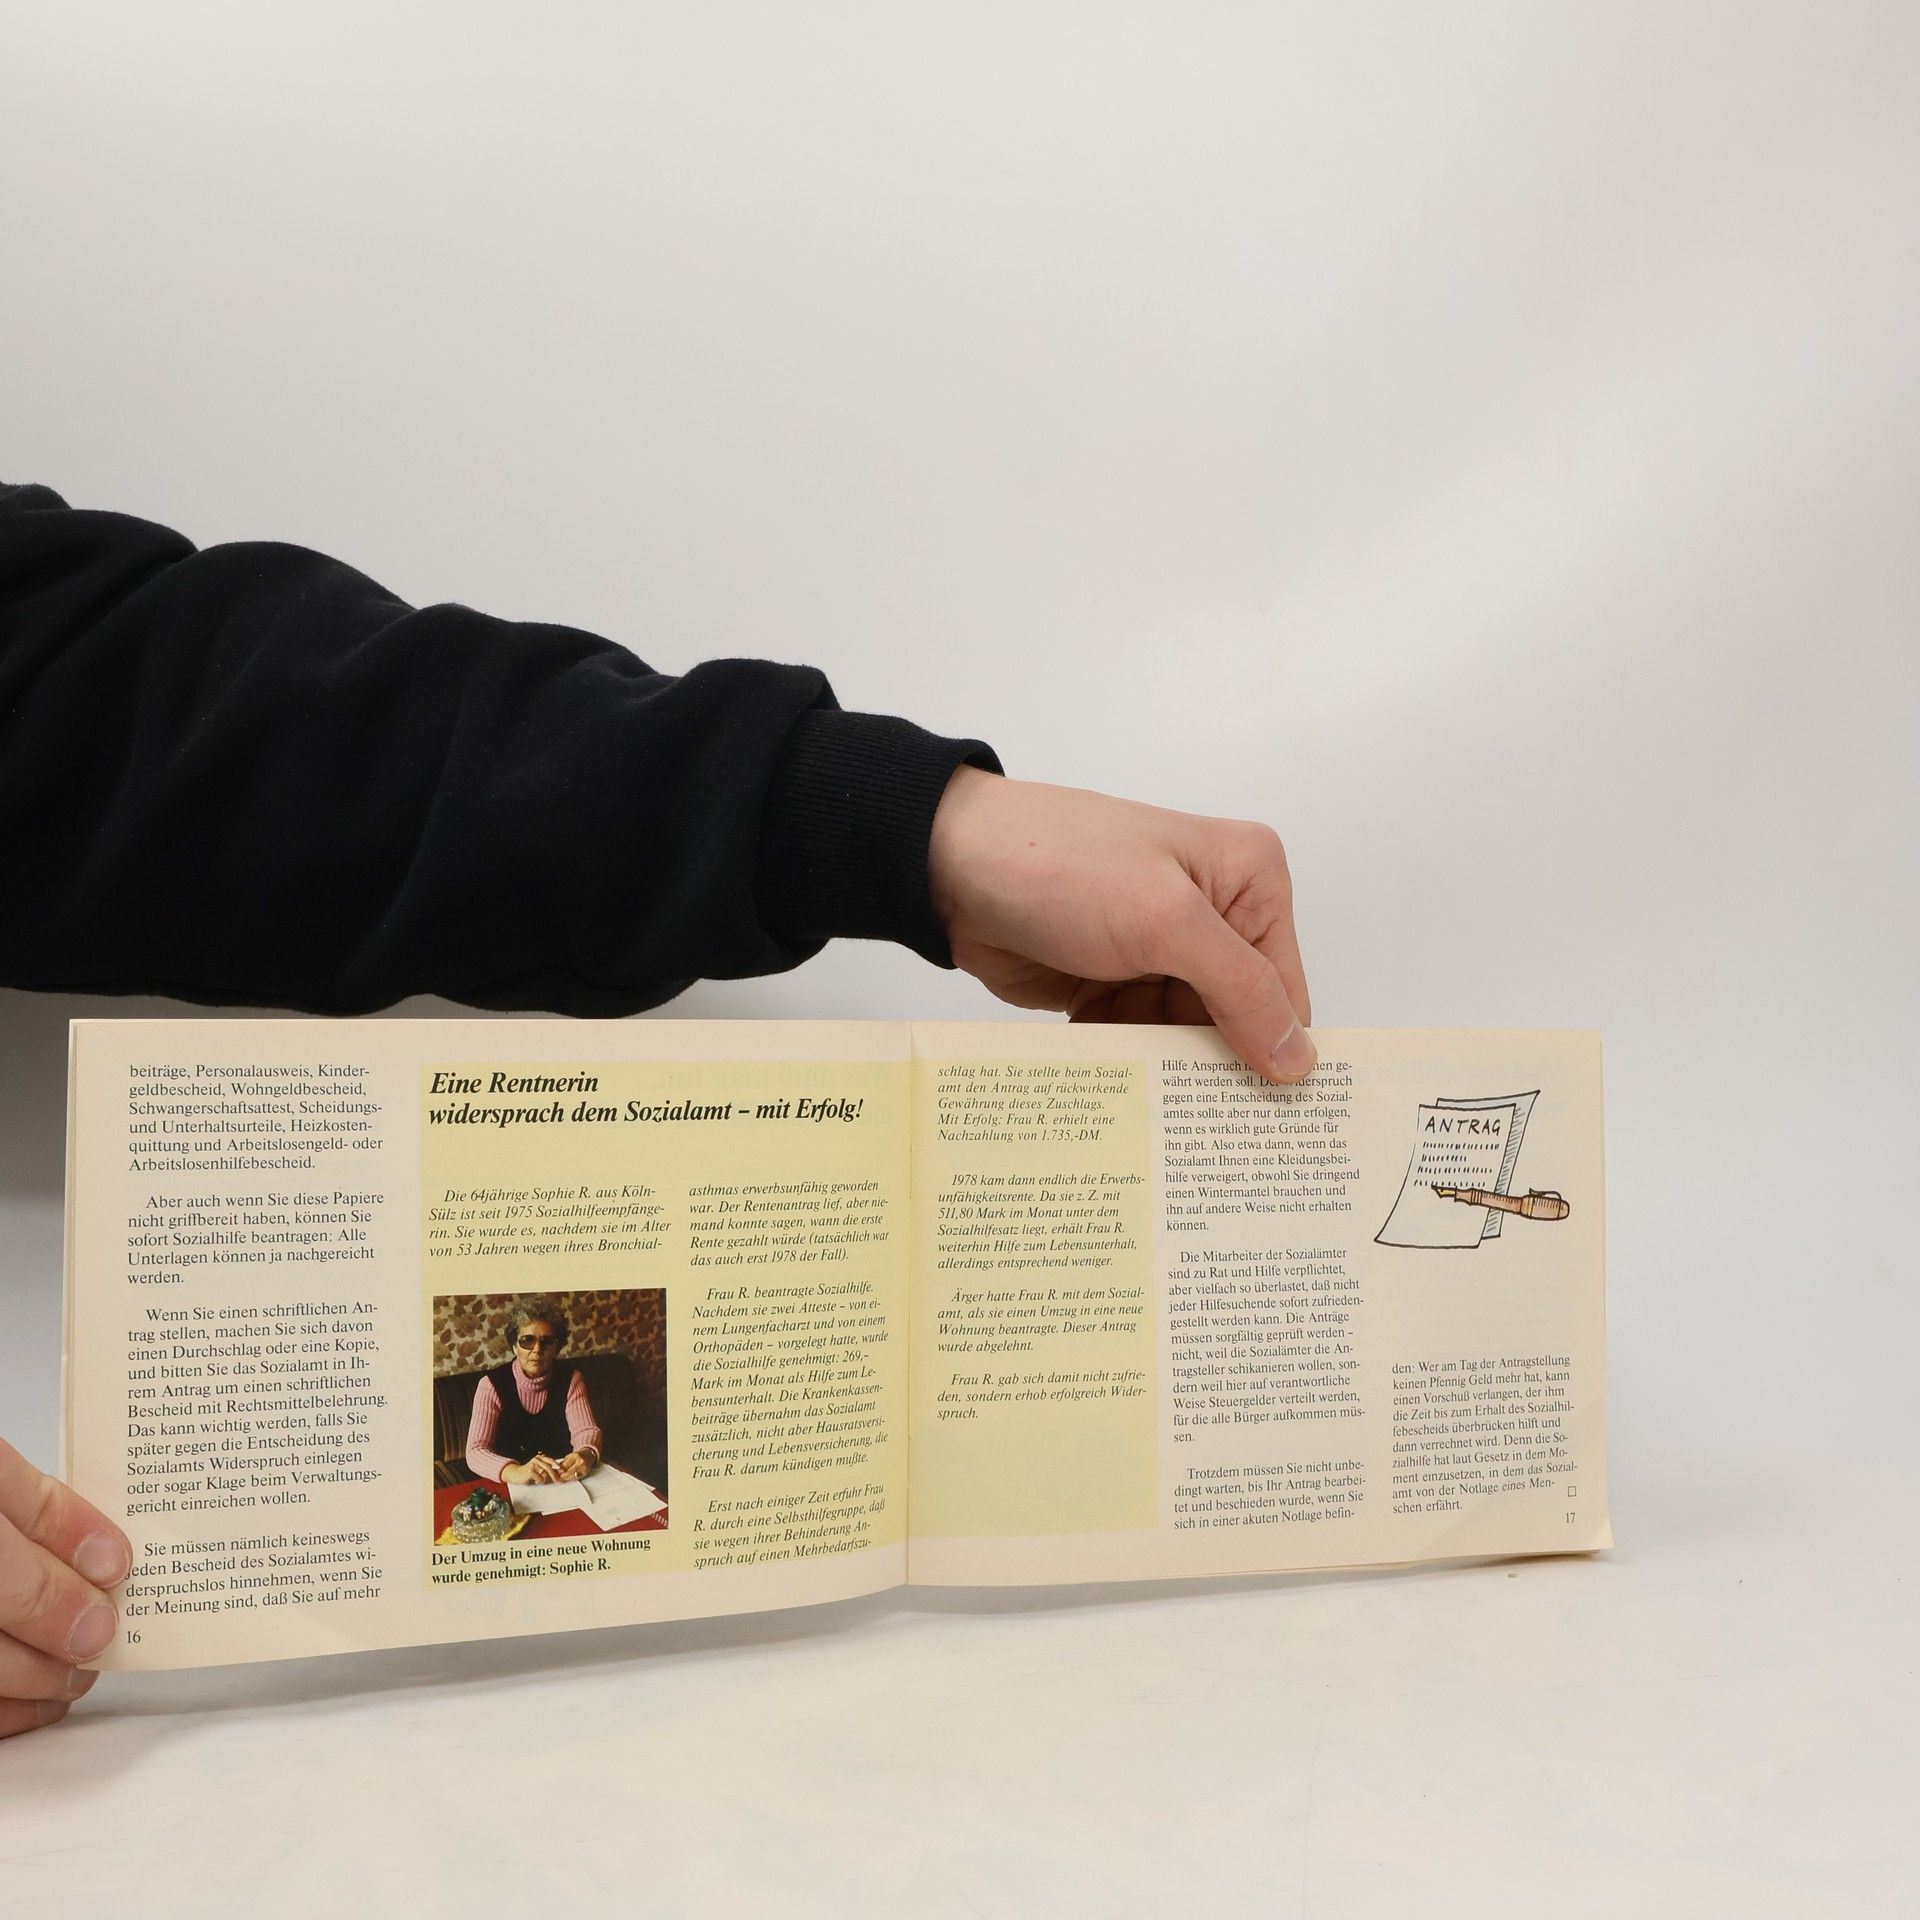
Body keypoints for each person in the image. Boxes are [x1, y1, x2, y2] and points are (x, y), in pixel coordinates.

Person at [0, 480, 1315, 1738]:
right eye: (523, 1342)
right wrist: (512, 1473)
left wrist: (910, 828)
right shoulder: (486, 1395)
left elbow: (143, 705)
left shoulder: (570, 1384)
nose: (530, 1355)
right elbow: (476, 1466)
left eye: (538, 1342)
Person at [464, 1299, 604, 1488]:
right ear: (515, 1347)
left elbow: (586, 1430)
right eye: (527, 1340)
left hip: (561, 1480)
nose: (537, 1350)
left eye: (547, 1342)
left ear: (556, 1349)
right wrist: (515, 1471)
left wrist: (586, 1453)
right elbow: (475, 1450)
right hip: (512, 1483)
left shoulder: (572, 1379)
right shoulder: (490, 1385)